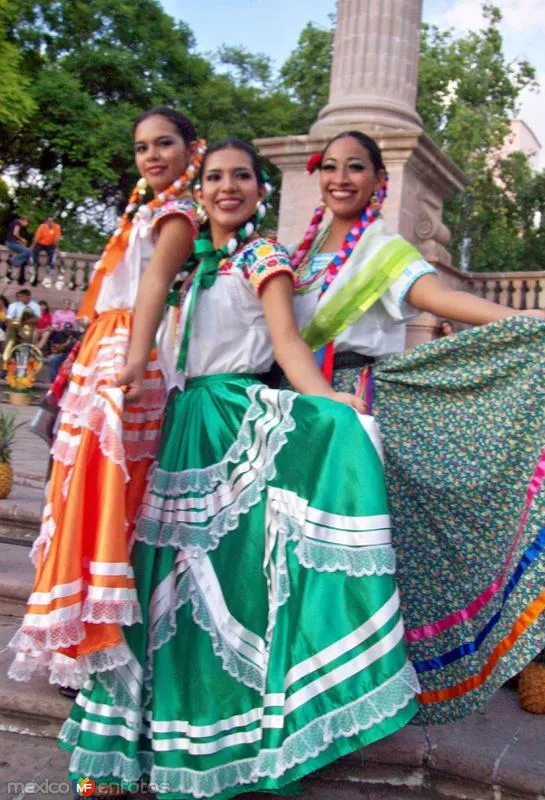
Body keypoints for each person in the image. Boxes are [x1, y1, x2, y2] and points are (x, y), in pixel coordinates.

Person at [57, 139, 419, 798]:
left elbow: (285, 341)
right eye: (216, 177)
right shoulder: (186, 256)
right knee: (156, 580)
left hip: (232, 419)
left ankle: (235, 733)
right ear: (203, 190)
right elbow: (144, 321)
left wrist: (332, 404)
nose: (228, 188)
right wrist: (132, 371)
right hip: (179, 423)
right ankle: (131, 743)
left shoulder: (264, 256)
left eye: (242, 178)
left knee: (225, 585)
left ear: (260, 191)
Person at [291, 130, 545, 726]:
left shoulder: (381, 251)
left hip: (362, 409)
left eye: (356, 167)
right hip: (299, 412)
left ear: (379, 181)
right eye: (330, 166)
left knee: (441, 534)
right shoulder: (298, 258)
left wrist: (516, 317)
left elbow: (433, 294)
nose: (341, 178)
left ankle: (535, 643)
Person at [9, 107, 203, 700]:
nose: (151, 156)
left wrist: (134, 362)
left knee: (108, 491)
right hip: (108, 345)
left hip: (129, 351)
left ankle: (93, 641)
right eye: (143, 146)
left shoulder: (176, 213)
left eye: (164, 144)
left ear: (191, 150)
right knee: (81, 489)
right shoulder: (145, 212)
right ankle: (78, 635)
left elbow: (151, 290)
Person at [5, 216, 31, 282]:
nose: (26, 225)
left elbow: (12, 235)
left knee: (26, 250)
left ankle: (17, 263)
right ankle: (13, 260)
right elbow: (15, 233)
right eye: (27, 223)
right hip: (10, 243)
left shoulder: (14, 221)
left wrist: (20, 242)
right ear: (25, 221)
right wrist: (22, 239)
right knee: (28, 251)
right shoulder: (17, 223)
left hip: (10, 242)